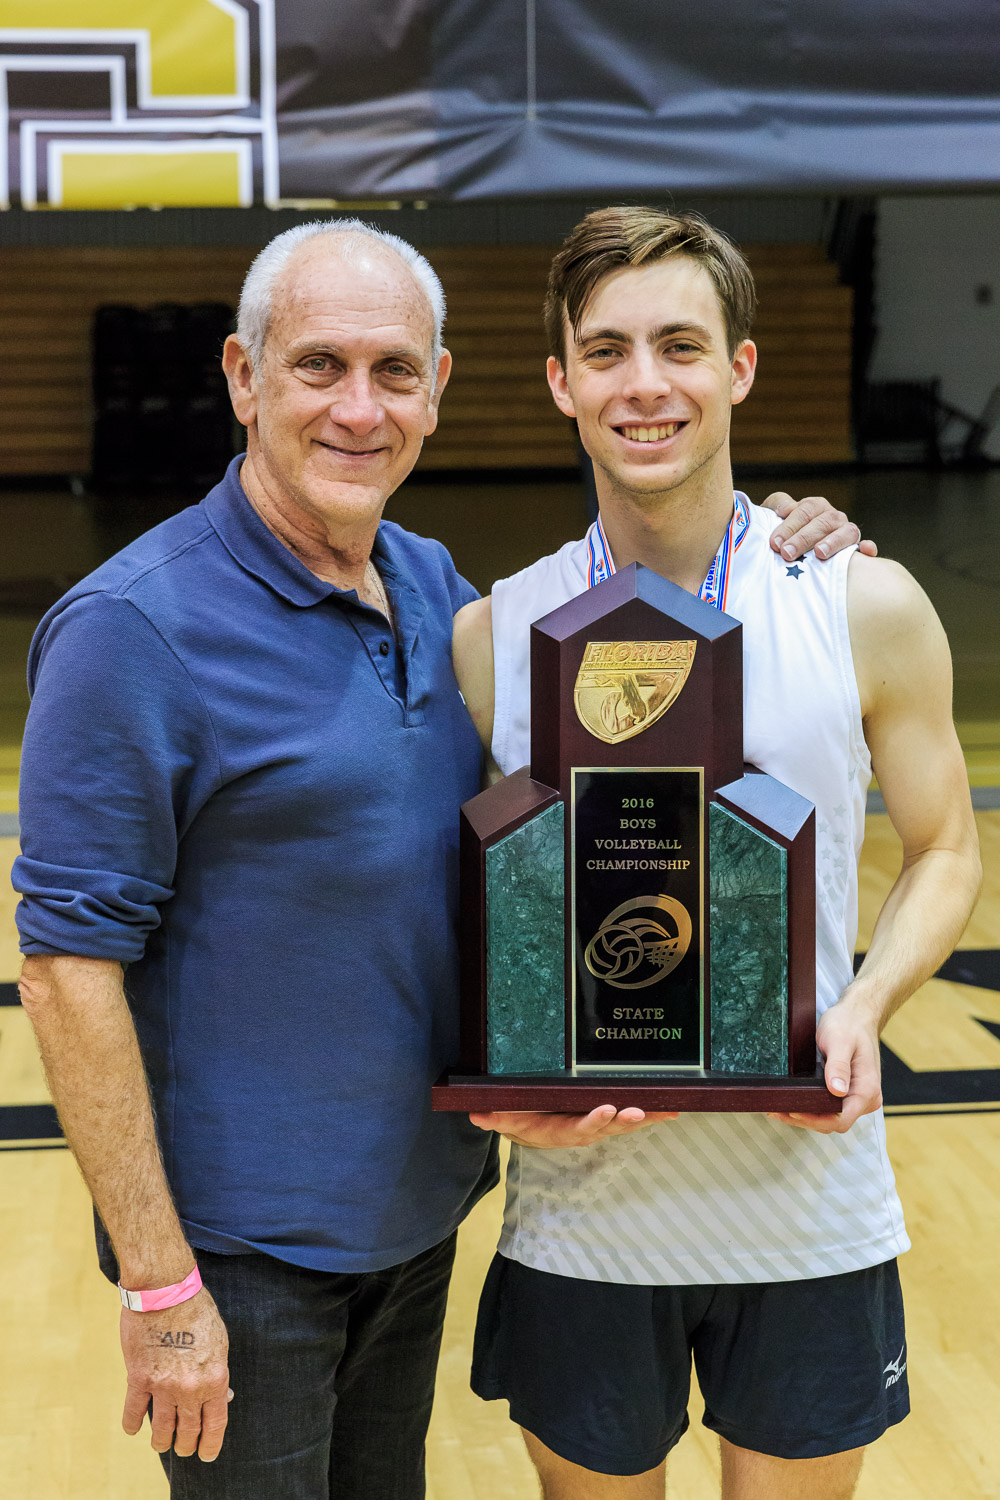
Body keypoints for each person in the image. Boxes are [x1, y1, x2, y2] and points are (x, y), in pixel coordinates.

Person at [13, 216, 863, 1499]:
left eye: (394, 372)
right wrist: (159, 1284)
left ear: (438, 388)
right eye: (319, 366)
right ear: (243, 376)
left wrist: (795, 529)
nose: (360, 409)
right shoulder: (132, 628)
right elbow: (66, 968)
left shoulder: (434, 591)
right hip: (241, 1257)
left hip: (415, 1221)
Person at [452, 208, 982, 1500]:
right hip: (584, 1216)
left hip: (808, 1206)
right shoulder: (491, 636)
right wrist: (496, 1067)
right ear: (561, 383)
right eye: (608, 351)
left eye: (680, 345)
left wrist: (865, 1005)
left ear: (739, 367)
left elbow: (946, 850)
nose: (645, 383)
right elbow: (478, 905)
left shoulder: (860, 602)